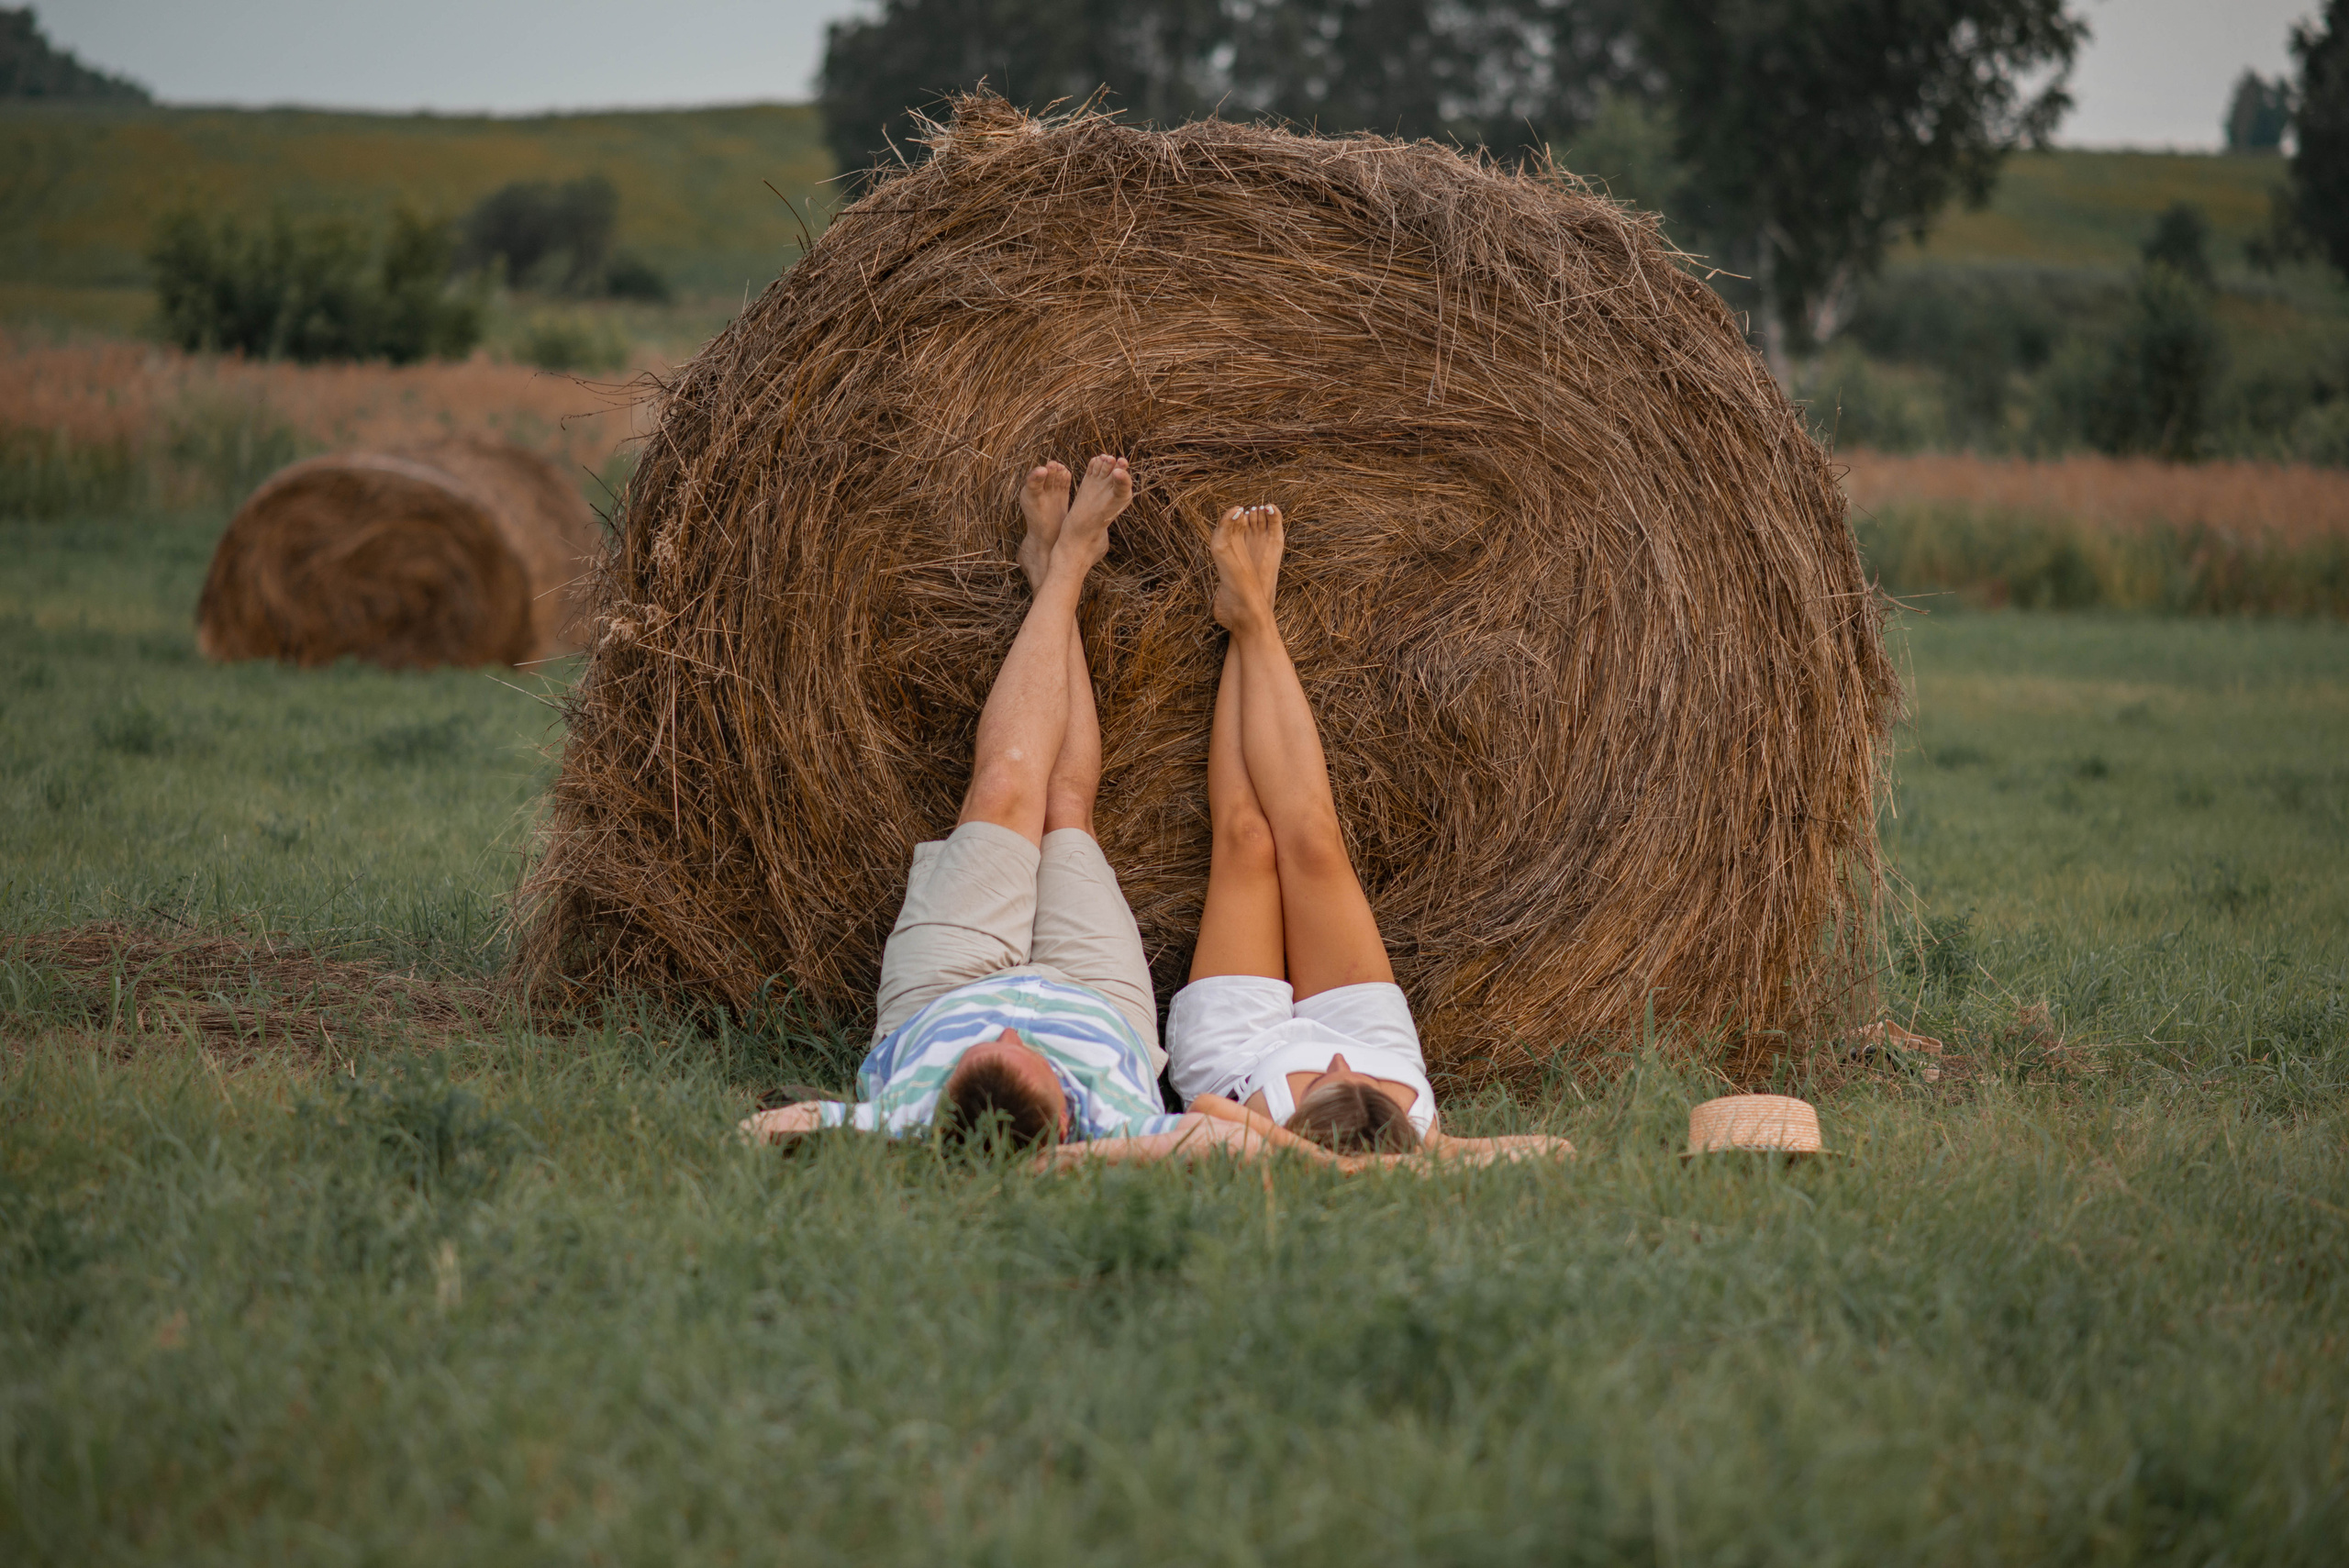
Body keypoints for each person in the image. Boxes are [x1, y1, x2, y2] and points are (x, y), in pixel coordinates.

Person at [740, 457, 1564, 1170]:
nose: (1017, 1039)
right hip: (1238, 1030)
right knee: (1295, 841)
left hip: (1066, 1016)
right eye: (1033, 1063)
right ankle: (1240, 616)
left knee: (1093, 807)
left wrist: (916, 1140)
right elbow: (1552, 1153)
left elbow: (759, 1133)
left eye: (999, 1054)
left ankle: (1066, 576)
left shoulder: (912, 1122)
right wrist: (1401, 1168)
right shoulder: (1141, 1130)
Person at [1163, 502, 1568, 1162]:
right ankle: (1252, 620)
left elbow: (1206, 1112)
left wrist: (1307, 1158)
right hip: (1378, 1033)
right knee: (1315, 843)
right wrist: (1423, 1154)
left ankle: (1246, 617)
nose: (1342, 1061)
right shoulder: (1424, 1136)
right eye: (1362, 1082)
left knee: (1247, 841)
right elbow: (1556, 1150)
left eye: (1329, 1079)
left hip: (1240, 1054)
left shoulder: (1255, 1145)